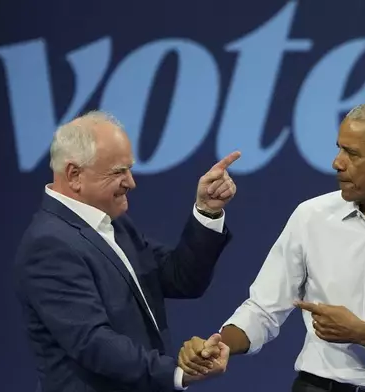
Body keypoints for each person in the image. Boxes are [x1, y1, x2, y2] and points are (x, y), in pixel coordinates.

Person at [178, 100, 365, 392]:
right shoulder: (311, 218)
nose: (337, 162)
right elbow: (263, 310)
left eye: (353, 153)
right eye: (339, 148)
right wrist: (222, 344)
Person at [13, 110, 235, 392]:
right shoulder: (49, 245)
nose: (131, 182)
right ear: (74, 175)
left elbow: (182, 278)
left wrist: (207, 211)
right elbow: (92, 341)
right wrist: (176, 372)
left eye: (129, 169)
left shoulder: (114, 225)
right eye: (118, 172)